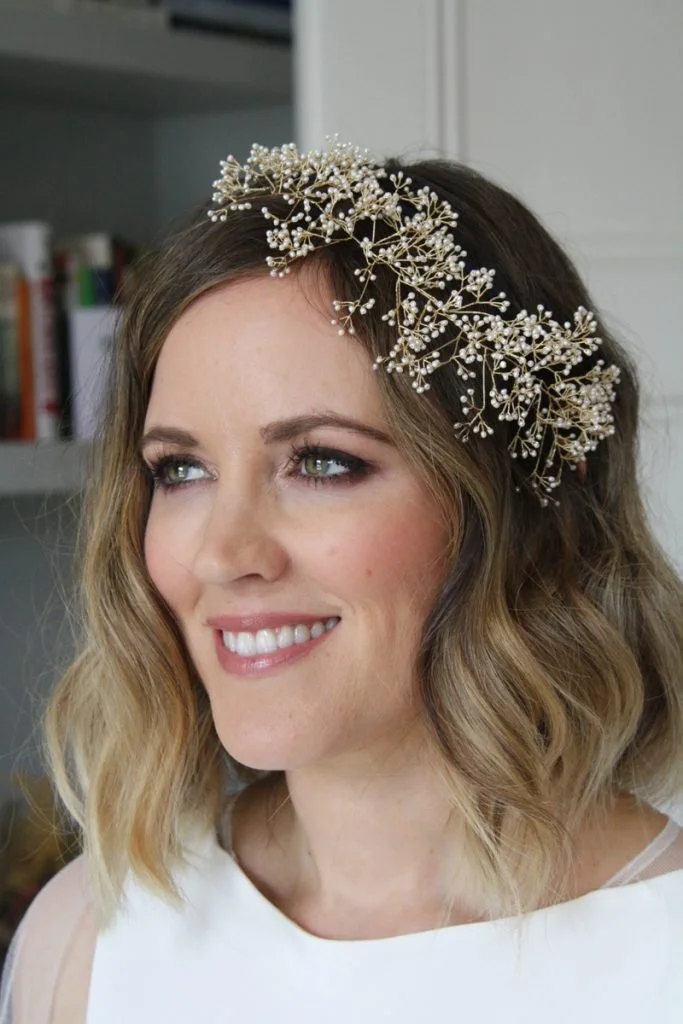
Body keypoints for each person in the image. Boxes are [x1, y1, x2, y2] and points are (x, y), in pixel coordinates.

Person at [2, 140, 683, 1022]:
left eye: (321, 462)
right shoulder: (94, 939)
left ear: (533, 494)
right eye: (181, 470)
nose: (223, 553)